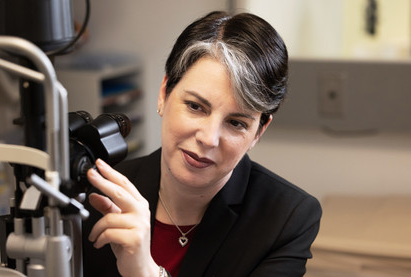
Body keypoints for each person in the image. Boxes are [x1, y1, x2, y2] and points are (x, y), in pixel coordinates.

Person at [82, 10, 322, 277]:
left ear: (258, 132)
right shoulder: (94, 195)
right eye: (195, 106)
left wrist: (146, 272)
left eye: (236, 123)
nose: (208, 138)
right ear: (164, 94)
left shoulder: (286, 218)